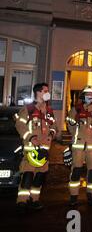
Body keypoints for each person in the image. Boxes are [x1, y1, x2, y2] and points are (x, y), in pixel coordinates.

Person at [14, 83, 57, 212]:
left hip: (44, 151)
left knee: (40, 177)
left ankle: (34, 199)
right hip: (30, 150)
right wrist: (31, 138)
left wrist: (52, 133)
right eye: (45, 91)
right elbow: (20, 125)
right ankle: (22, 201)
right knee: (27, 176)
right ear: (38, 93)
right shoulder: (29, 109)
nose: (47, 93)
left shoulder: (49, 110)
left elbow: (54, 126)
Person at [66, 85, 92, 207]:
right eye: (87, 94)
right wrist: (76, 134)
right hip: (78, 145)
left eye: (91, 94)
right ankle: (73, 197)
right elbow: (70, 123)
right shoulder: (75, 109)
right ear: (83, 96)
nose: (89, 96)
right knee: (76, 171)